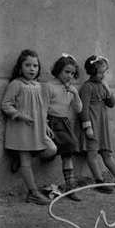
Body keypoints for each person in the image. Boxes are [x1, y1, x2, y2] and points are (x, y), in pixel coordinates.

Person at [1, 49, 57, 205]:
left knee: (51, 149)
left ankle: (18, 157)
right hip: (21, 129)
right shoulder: (16, 84)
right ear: (20, 67)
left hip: (37, 130)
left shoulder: (38, 86)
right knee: (26, 161)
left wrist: (45, 124)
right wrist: (20, 115)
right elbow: (6, 104)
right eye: (28, 65)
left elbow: (41, 108)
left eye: (35, 65)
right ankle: (33, 193)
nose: (32, 69)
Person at [79, 55, 115, 194]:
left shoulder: (102, 86)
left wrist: (107, 88)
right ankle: (99, 181)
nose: (103, 75)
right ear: (92, 72)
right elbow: (84, 108)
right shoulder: (87, 87)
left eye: (104, 72)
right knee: (92, 153)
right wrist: (87, 127)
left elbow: (112, 103)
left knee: (106, 153)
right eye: (100, 72)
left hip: (102, 126)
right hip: (93, 125)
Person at [43, 53, 83, 201]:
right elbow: (43, 107)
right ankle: (20, 157)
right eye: (66, 72)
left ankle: (71, 188)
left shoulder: (69, 89)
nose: (69, 76)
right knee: (47, 151)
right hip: (51, 122)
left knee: (69, 151)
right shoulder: (49, 86)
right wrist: (44, 124)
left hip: (64, 123)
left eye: (72, 73)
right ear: (58, 70)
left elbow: (78, 109)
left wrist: (75, 93)